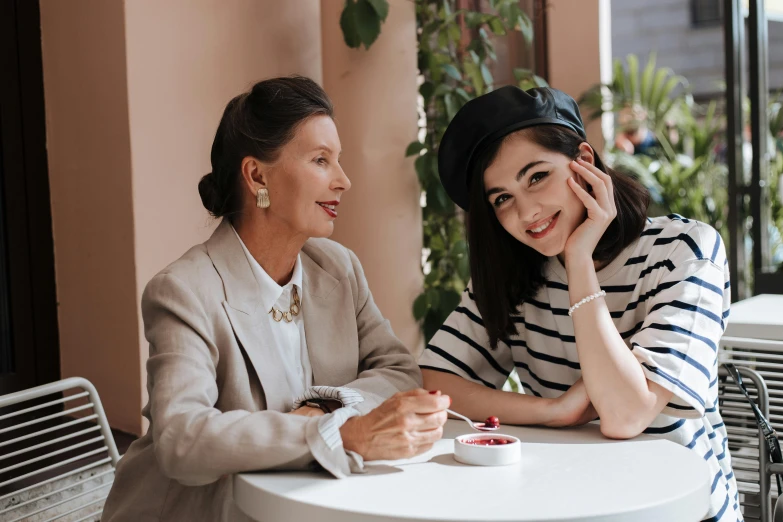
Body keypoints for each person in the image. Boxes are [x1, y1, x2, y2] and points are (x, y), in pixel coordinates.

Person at [103, 76, 449, 522]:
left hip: (308, 503)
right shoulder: (184, 290)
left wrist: (325, 405)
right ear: (256, 175)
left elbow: (399, 372)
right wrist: (340, 436)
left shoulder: (338, 267)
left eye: (338, 161)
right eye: (321, 160)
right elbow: (182, 440)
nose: (343, 181)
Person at [420, 86, 741, 522]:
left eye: (537, 177)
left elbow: (626, 414)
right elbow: (436, 386)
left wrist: (577, 261)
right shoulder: (515, 274)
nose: (527, 211)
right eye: (502, 199)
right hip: (566, 506)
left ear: (584, 163)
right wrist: (553, 411)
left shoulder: (685, 251)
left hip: (680, 511)